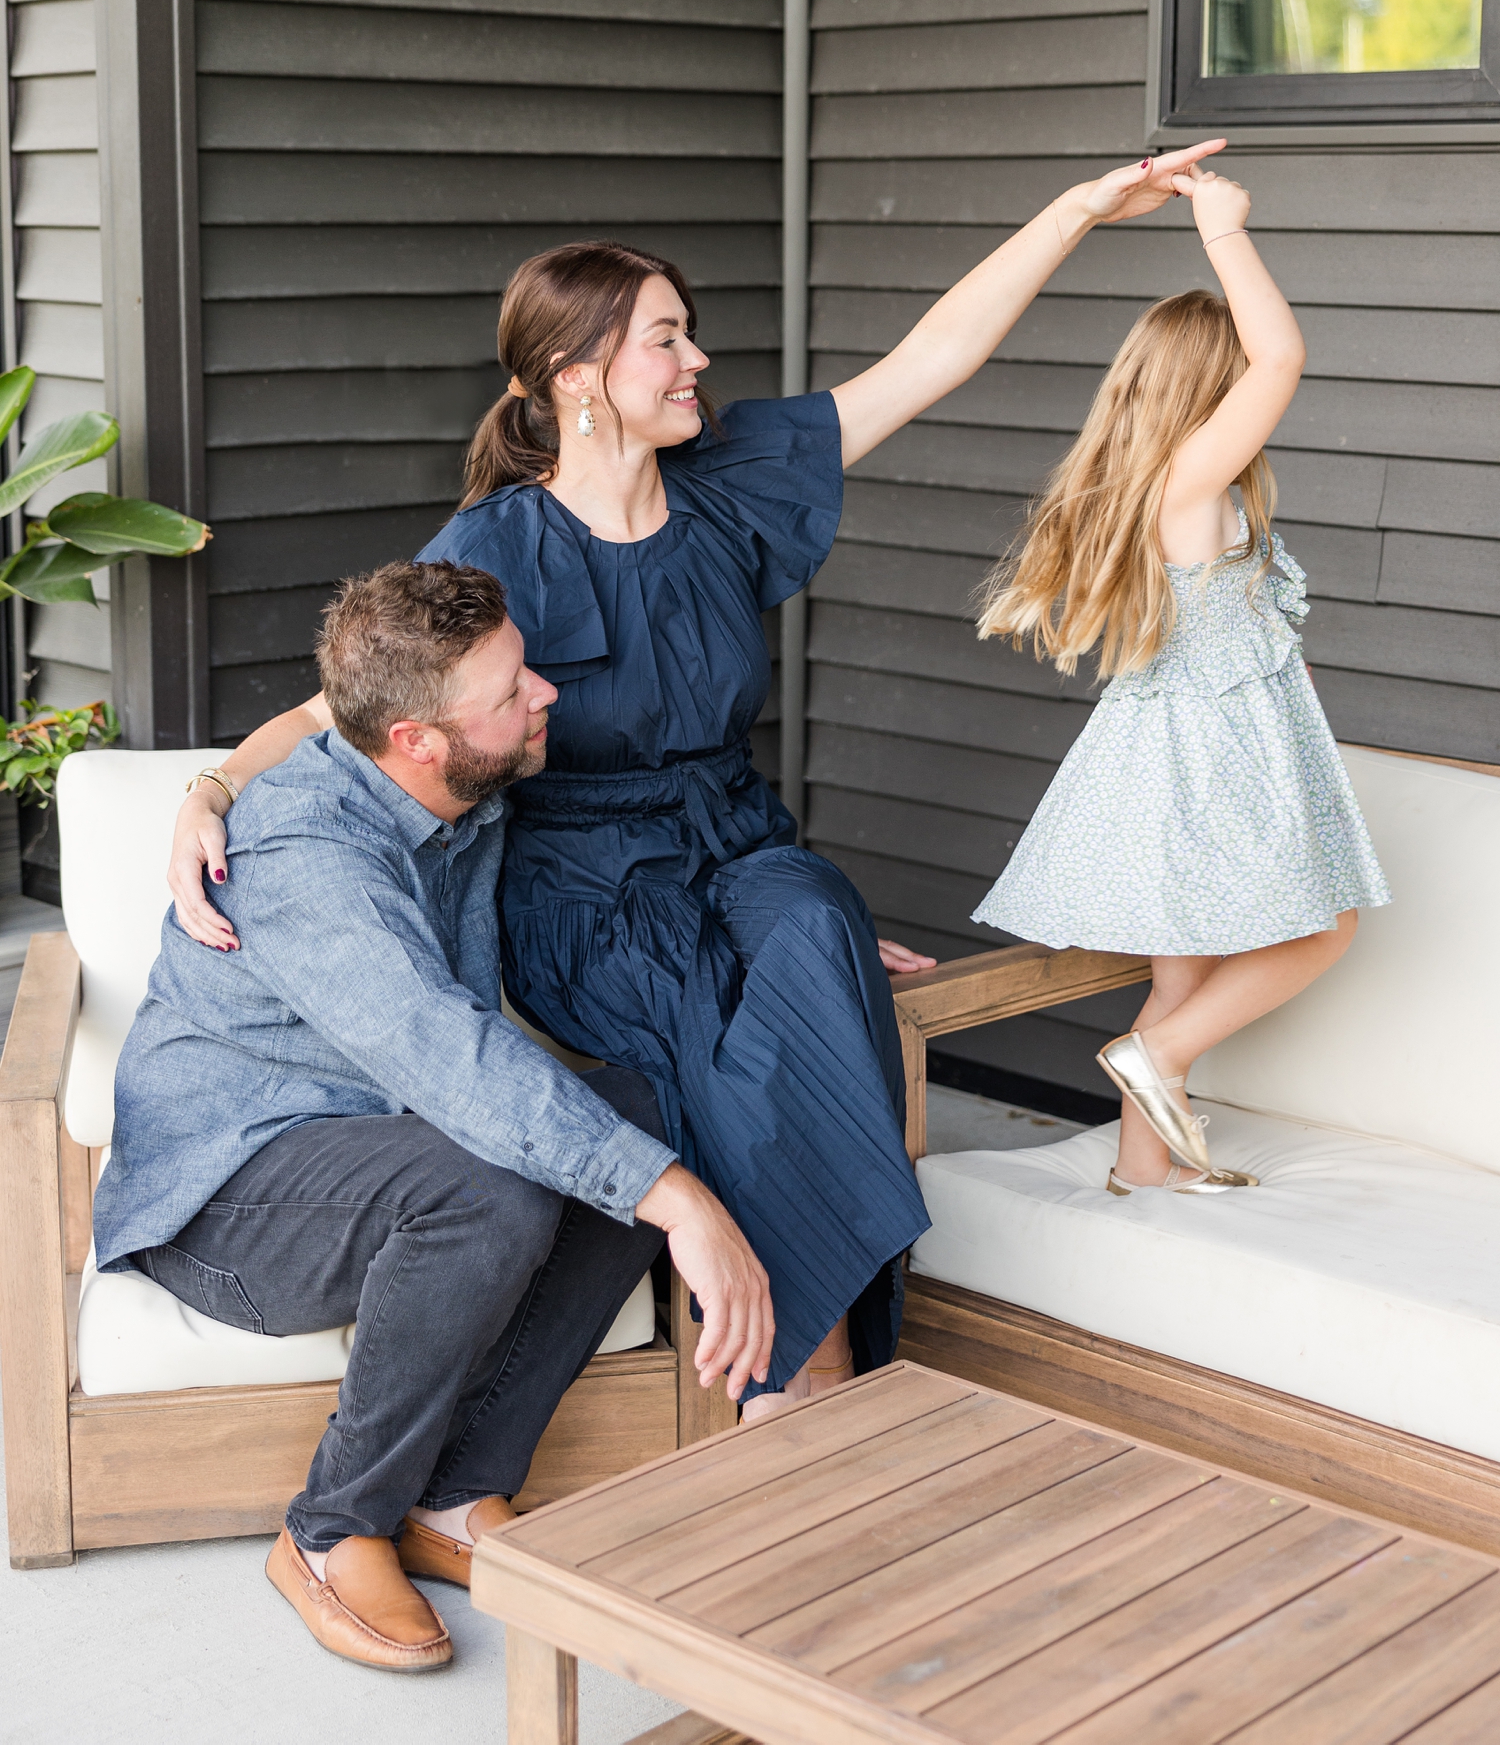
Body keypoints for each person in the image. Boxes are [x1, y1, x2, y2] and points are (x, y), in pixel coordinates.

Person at [169, 141, 1226, 1410]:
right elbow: (352, 704)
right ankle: (815, 1385)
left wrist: (1078, 211)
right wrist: (211, 790)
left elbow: (934, 362)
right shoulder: (500, 545)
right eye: (666, 341)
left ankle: (803, 1383)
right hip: (581, 887)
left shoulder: (727, 487)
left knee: (817, 930)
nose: (698, 364)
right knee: (705, 1021)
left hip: (736, 841)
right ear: (580, 380)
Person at [96, 561, 771, 1673]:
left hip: (380, 1143)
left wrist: (772, 929)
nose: (545, 693)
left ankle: (455, 1496)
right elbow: (444, 1054)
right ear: (416, 738)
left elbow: (331, 710)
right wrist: (682, 1204)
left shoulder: (451, 781)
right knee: (508, 1181)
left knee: (633, 1112)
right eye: (512, 692)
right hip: (225, 1201)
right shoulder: (309, 857)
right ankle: (330, 1529)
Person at [971, 159, 1391, 1196]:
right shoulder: (1192, 484)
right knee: (1326, 924)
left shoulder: (1169, 487)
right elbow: (1284, 354)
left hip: (1165, 746)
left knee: (1184, 968)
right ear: (1213, 393)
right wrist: (1225, 231)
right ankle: (1156, 1060)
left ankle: (1139, 1171)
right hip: (1213, 750)